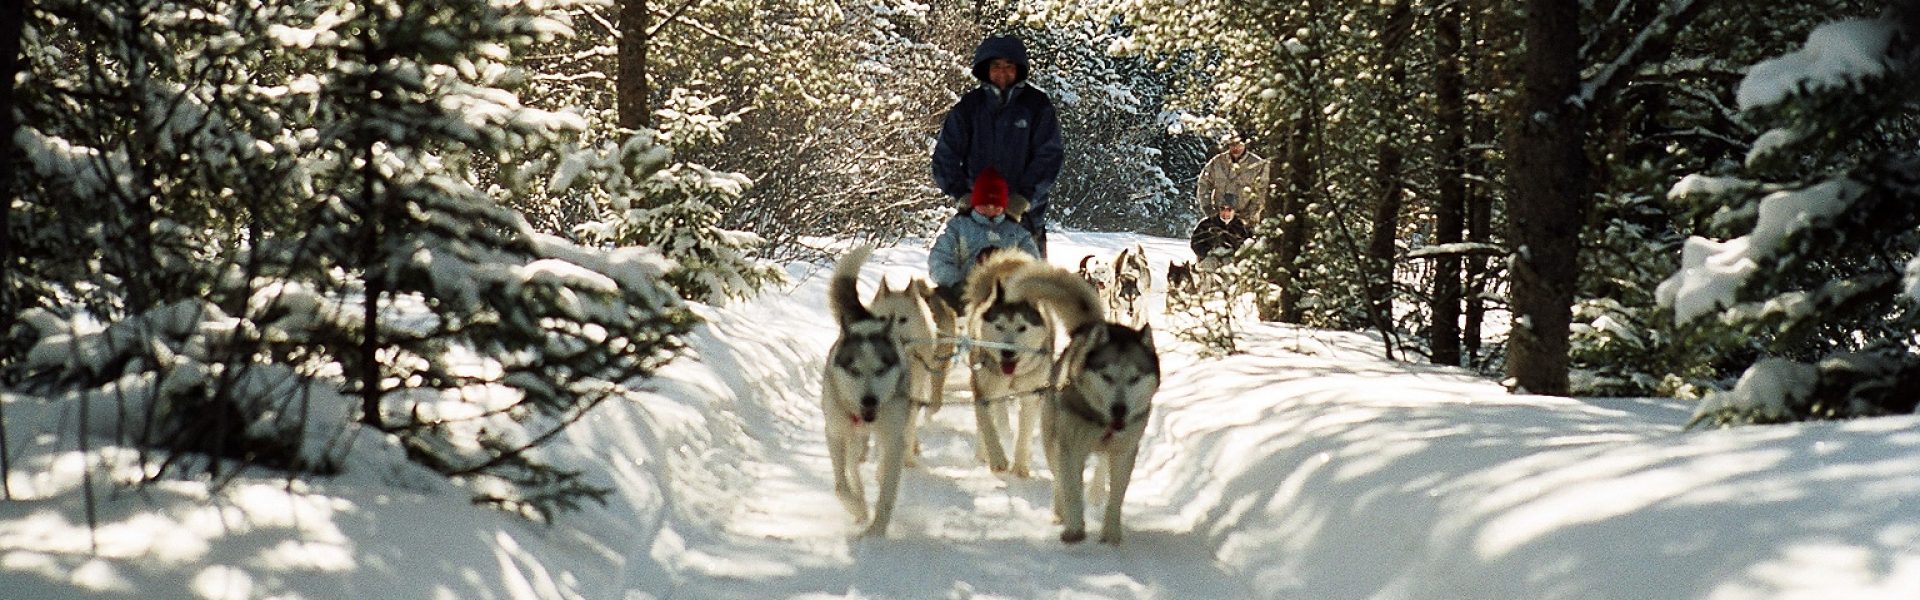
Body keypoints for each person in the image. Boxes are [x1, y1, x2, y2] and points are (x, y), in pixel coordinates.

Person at [932, 34, 1064, 258]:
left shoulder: (1037, 106)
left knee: (1029, 286)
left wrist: (1024, 198)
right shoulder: (970, 107)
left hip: (1023, 216)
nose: (1002, 73)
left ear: (1019, 68)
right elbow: (946, 155)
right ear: (985, 69)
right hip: (977, 217)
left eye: (1009, 66)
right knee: (970, 286)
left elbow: (1049, 156)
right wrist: (962, 194)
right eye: (996, 66)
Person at [929, 168, 1040, 310]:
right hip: (964, 294)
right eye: (985, 204)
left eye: (996, 205)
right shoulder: (959, 227)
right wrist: (956, 284)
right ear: (975, 202)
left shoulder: (1017, 233)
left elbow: (1032, 263)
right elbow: (939, 259)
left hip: (1008, 297)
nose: (990, 208)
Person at [1195, 138, 1268, 222]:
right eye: (1232, 145)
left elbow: (1262, 191)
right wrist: (1208, 208)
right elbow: (1203, 184)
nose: (1235, 148)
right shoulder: (1217, 162)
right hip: (1219, 219)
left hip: (1246, 221)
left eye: (1239, 144)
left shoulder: (1258, 165)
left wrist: (1249, 213)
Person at [1190, 203, 1251, 269]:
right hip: (1209, 259)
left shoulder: (1241, 227)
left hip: (1231, 261)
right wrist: (1206, 252)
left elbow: (1247, 245)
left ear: (1234, 211)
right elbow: (1195, 242)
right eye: (1222, 209)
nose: (1225, 212)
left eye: (1229, 209)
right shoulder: (1206, 224)